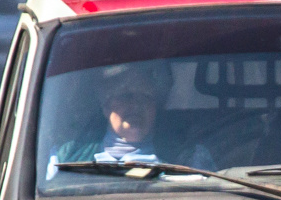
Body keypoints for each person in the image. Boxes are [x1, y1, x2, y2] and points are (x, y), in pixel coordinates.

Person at [48, 63, 213, 173]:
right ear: (106, 106)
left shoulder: (189, 157)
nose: (135, 105)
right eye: (125, 96)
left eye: (145, 97)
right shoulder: (66, 156)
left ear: (155, 108)